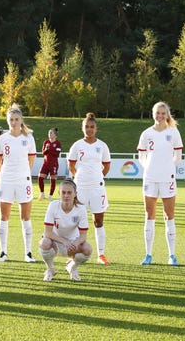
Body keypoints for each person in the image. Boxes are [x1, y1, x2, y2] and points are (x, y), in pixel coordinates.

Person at [137, 101, 183, 266]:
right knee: (149, 216)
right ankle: (148, 254)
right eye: (158, 113)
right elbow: (142, 156)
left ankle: (172, 255)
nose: (160, 116)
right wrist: (148, 167)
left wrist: (170, 168)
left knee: (169, 216)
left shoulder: (173, 132)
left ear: (167, 115)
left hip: (167, 178)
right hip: (150, 178)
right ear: (153, 114)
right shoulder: (146, 134)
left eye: (163, 113)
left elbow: (178, 155)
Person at [0, 104, 37, 263]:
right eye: (11, 119)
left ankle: (28, 253)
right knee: (4, 216)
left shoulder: (28, 138)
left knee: (25, 216)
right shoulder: (2, 139)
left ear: (21, 120)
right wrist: (4, 174)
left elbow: (31, 159)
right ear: (7, 121)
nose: (14, 122)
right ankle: (3, 252)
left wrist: (23, 172)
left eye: (16, 119)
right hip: (6, 180)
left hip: (23, 180)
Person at [67, 113, 112, 265]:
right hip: (80, 188)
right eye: (86, 126)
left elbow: (106, 166)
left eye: (92, 127)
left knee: (98, 221)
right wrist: (78, 178)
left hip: (97, 188)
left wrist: (98, 177)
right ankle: (71, 254)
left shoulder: (102, 146)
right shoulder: (77, 145)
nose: (89, 129)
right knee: (75, 221)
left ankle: (101, 254)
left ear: (96, 128)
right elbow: (71, 164)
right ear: (83, 128)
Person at [39, 179, 92, 281]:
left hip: (72, 244)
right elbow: (48, 232)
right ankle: (50, 269)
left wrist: (75, 243)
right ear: (59, 193)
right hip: (55, 243)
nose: (66, 195)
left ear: (75, 194)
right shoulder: (53, 206)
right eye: (63, 192)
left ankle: (72, 268)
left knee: (88, 249)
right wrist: (64, 242)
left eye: (69, 193)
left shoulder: (81, 209)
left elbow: (83, 235)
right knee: (44, 243)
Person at [38, 128, 61, 200]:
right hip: (45, 163)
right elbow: (43, 153)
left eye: (51, 133)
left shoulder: (58, 143)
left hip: (53, 164)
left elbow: (57, 154)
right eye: (49, 133)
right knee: (40, 178)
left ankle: (50, 196)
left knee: (52, 179)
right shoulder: (46, 142)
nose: (49, 134)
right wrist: (46, 149)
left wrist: (49, 150)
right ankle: (42, 194)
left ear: (55, 135)